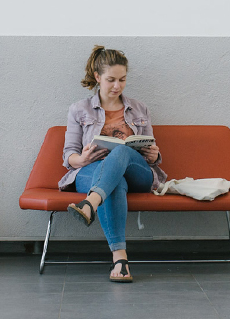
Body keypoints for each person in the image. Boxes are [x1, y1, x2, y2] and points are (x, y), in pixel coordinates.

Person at [59, 45, 167, 283]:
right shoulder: (79, 110)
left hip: (137, 173)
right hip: (93, 171)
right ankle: (121, 261)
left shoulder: (140, 108)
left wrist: (153, 155)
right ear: (98, 77)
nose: (117, 86)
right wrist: (82, 159)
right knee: (114, 182)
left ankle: (90, 203)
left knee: (120, 152)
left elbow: (150, 148)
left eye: (122, 79)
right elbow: (69, 155)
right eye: (111, 80)